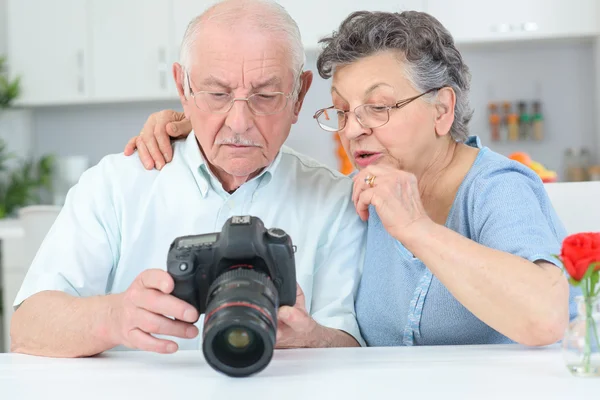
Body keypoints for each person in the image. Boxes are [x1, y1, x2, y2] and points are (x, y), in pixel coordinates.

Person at [128, 9, 577, 347]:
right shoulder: (366, 192)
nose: (353, 129)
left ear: (442, 109)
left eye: (378, 107)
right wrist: (198, 123)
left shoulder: (497, 187)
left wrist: (416, 229)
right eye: (342, 112)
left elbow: (545, 316)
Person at [10, 0, 366, 358]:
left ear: (299, 96)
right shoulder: (115, 185)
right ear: (183, 87)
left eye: (265, 95)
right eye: (217, 94)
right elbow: (27, 328)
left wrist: (312, 337)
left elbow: (351, 343)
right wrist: (114, 316)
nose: (239, 122)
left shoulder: (335, 200)